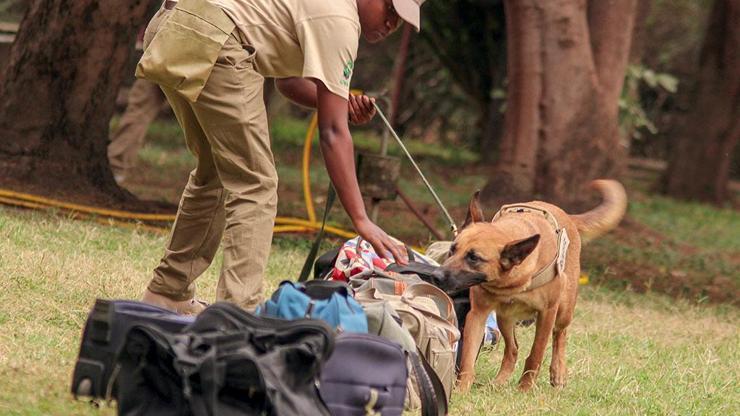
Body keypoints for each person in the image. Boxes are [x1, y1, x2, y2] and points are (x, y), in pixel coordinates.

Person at [136, 0, 426, 314]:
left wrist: (342, 104)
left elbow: (287, 83)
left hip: (177, 24)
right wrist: (361, 219)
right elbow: (332, 132)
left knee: (216, 172)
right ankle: (239, 315)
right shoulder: (341, 20)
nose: (391, 25)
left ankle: (168, 292)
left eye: (400, 21)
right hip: (217, 41)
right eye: (391, 12)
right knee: (256, 185)